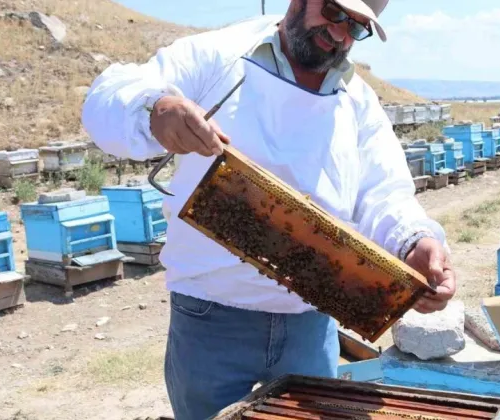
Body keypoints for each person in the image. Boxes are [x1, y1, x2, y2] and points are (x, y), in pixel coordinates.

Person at [81, 0, 456, 418]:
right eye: (333, 12)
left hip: (310, 323)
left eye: (357, 27)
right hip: (211, 316)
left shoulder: (360, 102)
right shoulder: (217, 56)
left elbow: (383, 192)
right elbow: (107, 98)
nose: (340, 34)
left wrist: (414, 240)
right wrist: (156, 109)